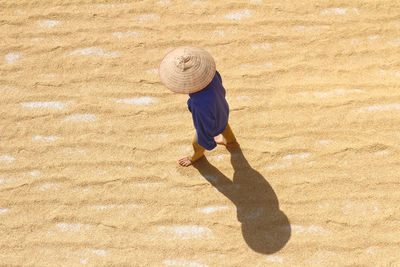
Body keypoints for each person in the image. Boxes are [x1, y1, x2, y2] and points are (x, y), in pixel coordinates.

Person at [159, 46, 239, 167]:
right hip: (222, 108)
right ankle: (231, 142)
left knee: (197, 143)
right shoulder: (212, 75)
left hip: (210, 117)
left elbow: (203, 127)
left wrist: (208, 142)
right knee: (224, 124)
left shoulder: (198, 103)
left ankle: (197, 156)